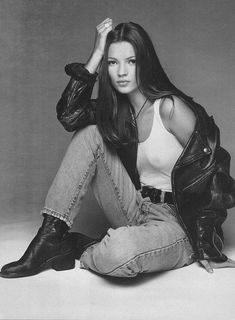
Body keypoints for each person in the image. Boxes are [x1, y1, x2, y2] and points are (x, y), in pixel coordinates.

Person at [1, 18, 235, 279]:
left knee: (119, 253)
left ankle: (86, 247)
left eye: (131, 61)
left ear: (144, 62)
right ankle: (50, 238)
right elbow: (70, 116)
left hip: (178, 223)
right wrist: (96, 55)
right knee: (89, 132)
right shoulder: (117, 114)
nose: (122, 71)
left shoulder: (170, 109)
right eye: (113, 63)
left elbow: (214, 174)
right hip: (136, 206)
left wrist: (206, 245)